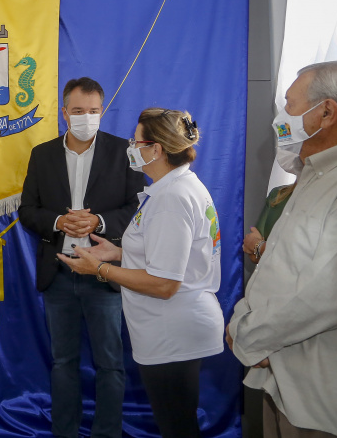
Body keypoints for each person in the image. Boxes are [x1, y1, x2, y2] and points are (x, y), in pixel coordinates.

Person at [228, 61, 337, 438]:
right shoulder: (314, 171)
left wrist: (249, 336)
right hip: (278, 379)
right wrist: (244, 318)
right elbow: (277, 260)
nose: (282, 117)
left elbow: (334, 293)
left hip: (321, 398)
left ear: (327, 112)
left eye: (290, 106)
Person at [63, 108, 224, 438]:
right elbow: (173, 256)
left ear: (157, 149)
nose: (131, 148)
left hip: (173, 329)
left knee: (177, 427)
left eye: (136, 142)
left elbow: (165, 283)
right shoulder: (174, 189)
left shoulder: (172, 198)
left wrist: (101, 269)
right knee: (177, 424)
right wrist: (120, 253)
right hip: (175, 327)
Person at [18, 77, 144, 438]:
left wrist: (98, 221)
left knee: (110, 365)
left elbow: (136, 206)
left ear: (102, 112)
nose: (86, 118)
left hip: (104, 274)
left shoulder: (124, 151)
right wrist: (58, 220)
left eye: (93, 111)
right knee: (62, 364)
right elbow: (28, 210)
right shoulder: (42, 154)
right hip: (57, 274)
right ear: (63, 113)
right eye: (78, 111)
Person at [241, 184, 294, 264]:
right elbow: (253, 254)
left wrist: (259, 246)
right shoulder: (278, 194)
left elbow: (295, 256)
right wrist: (258, 247)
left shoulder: (316, 205)